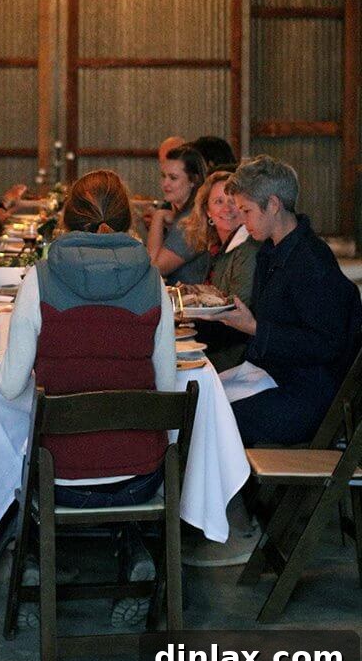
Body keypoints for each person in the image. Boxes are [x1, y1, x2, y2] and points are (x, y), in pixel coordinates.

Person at [0, 170, 175, 518]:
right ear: (127, 219)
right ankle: (138, 539)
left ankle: (24, 544)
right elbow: (166, 392)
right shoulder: (153, 281)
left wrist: (2, 327)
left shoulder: (40, 279)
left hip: (58, 478)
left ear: (67, 219)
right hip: (140, 478)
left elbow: (10, 386)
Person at [216, 155, 362, 446]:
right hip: (275, 376)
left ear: (273, 204)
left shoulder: (310, 261)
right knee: (203, 402)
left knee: (216, 419)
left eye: (247, 211)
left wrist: (255, 328)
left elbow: (326, 344)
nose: (242, 221)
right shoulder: (271, 252)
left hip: (309, 393)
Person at [184, 170, 260, 371]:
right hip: (221, 346)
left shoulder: (249, 248)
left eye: (233, 201)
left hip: (238, 358)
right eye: (218, 201)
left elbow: (235, 313)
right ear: (208, 211)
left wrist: (188, 321)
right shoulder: (218, 247)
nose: (227, 208)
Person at [147, 145, 209, 285]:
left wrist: (158, 217)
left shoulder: (192, 220)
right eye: (163, 176)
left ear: (193, 180)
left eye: (173, 178)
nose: (165, 184)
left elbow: (154, 268)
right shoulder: (183, 214)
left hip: (189, 298)